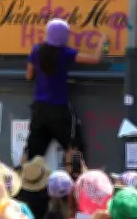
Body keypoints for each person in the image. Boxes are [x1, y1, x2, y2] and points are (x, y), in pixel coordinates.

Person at [24, 19, 105, 161]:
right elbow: (95, 59)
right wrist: (102, 42)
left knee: (33, 151)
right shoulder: (66, 53)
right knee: (74, 145)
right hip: (59, 109)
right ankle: (76, 177)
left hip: (39, 109)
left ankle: (25, 177)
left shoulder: (36, 50)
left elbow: (29, 75)